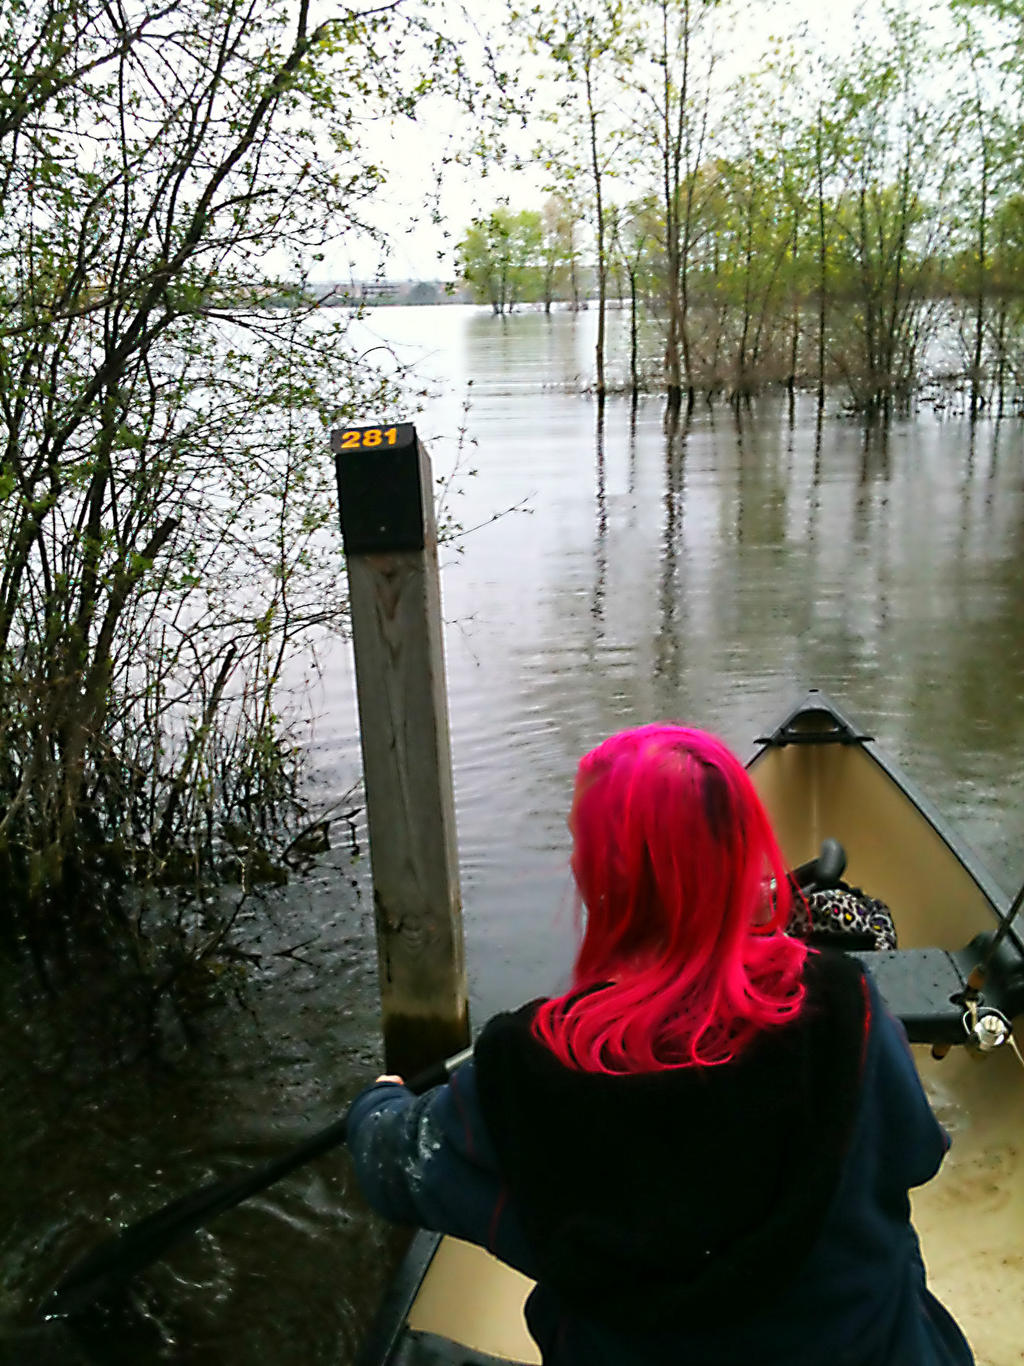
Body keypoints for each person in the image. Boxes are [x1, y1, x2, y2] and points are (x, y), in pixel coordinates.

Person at [346, 724, 974, 1366]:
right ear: (739, 857)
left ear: (600, 876)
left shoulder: (526, 1070)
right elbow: (919, 1156)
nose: (570, 861)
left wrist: (378, 1106)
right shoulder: (847, 1004)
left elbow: (391, 1166)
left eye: (576, 844)